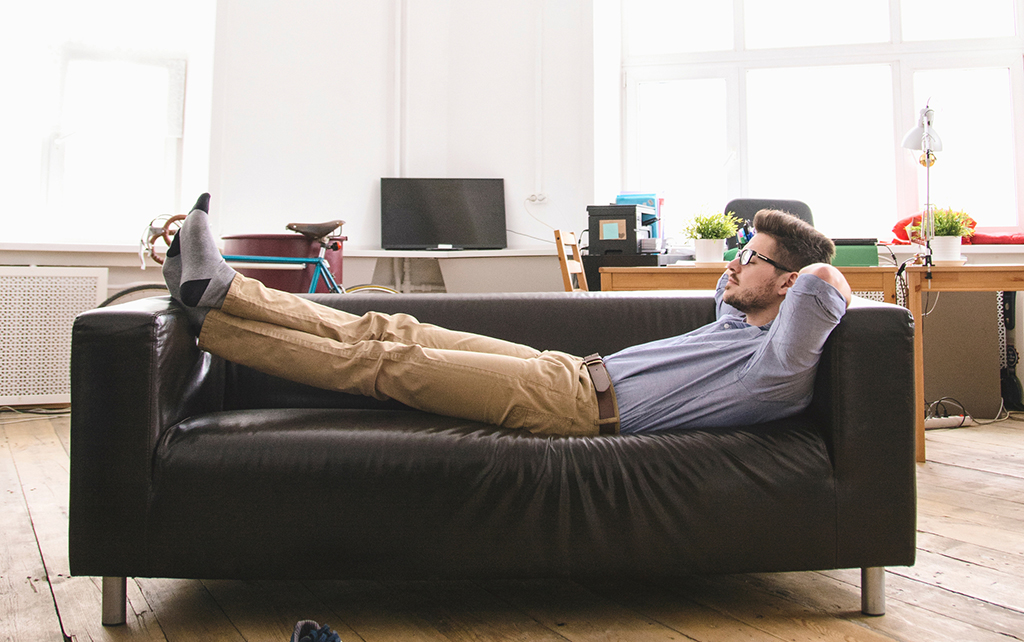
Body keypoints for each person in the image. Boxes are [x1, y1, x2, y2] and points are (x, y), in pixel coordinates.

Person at [163, 194, 851, 437]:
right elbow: (759, 280)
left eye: (753, 260)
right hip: (568, 373)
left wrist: (795, 270)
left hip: (577, 411)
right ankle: (219, 291)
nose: (733, 265)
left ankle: (217, 323)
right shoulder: (735, 319)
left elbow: (824, 281)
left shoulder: (774, 367)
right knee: (393, 328)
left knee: (387, 363)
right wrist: (749, 261)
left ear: (787, 287)